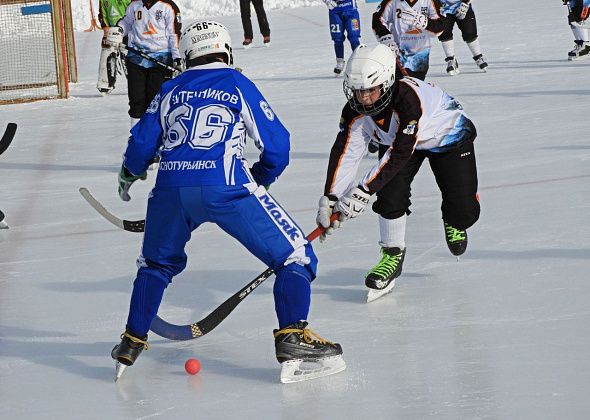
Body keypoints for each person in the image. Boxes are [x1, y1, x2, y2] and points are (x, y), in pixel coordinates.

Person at [111, 20, 345, 383]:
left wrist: (129, 172)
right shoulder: (237, 83)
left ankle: (131, 341)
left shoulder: (171, 88)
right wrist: (260, 179)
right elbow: (277, 147)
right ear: (226, 49)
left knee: (155, 264)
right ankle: (292, 337)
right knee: (296, 256)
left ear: (187, 54)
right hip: (226, 187)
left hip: (170, 190)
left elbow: (141, 143)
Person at [316, 44, 480, 302]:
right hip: (401, 143)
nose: (364, 98)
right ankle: (392, 254)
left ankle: (455, 219)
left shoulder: (408, 100)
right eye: (358, 91)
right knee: (390, 196)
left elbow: (401, 152)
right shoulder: (355, 111)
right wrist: (332, 197)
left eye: (370, 89)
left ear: (388, 82)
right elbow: (347, 151)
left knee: (464, 211)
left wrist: (363, 189)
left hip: (447, 138)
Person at [106, 0, 182, 128]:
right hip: (136, 58)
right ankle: (136, 136)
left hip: (161, 60)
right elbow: (127, 22)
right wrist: (119, 30)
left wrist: (177, 58)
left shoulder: (169, 7)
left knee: (156, 101)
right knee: (136, 100)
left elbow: (173, 34)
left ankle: (155, 135)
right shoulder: (134, 5)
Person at [372, 0, 444, 81]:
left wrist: (424, 22)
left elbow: (440, 26)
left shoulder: (430, 1)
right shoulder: (392, 1)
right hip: (398, 53)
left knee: (415, 88)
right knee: (399, 88)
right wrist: (386, 38)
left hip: (420, 56)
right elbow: (377, 20)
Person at [438, 0, 488, 75]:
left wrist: (465, 3)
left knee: (469, 33)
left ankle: (478, 57)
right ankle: (451, 60)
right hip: (443, 9)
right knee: (444, 33)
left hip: (463, 6)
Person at [96, 0, 131, 94]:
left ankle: (135, 81)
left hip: (128, 30)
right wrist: (105, 27)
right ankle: (105, 83)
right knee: (107, 51)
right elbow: (102, 12)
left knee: (129, 57)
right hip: (111, 30)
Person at [321, 0, 362, 75]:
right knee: (337, 38)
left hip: (350, 10)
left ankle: (358, 62)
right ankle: (340, 62)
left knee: (354, 37)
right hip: (335, 11)